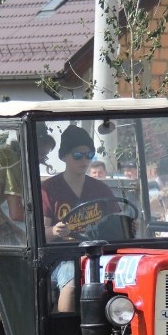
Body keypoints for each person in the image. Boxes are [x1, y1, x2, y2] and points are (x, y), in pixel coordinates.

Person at [42, 125, 115, 312]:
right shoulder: (49, 189)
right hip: (61, 255)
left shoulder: (101, 190)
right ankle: (65, 331)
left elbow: (116, 222)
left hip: (98, 253)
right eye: (78, 155)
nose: (84, 160)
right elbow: (41, 234)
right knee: (72, 273)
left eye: (89, 155)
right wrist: (55, 231)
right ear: (64, 156)